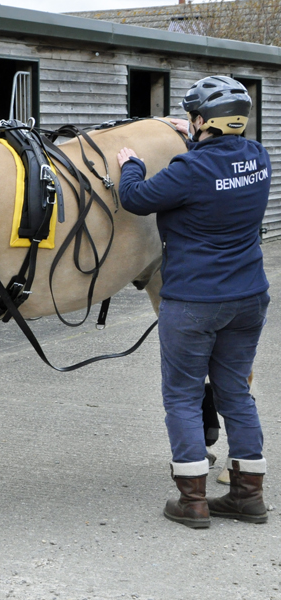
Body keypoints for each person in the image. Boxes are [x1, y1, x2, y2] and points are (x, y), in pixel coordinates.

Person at [116, 76, 271, 529]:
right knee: (235, 393)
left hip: (193, 302)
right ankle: (247, 496)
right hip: (249, 298)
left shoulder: (189, 171)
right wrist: (192, 135)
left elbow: (136, 198)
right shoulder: (259, 157)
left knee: (182, 397)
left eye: (191, 117)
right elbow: (219, 164)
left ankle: (193, 502)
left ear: (202, 121)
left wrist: (131, 163)